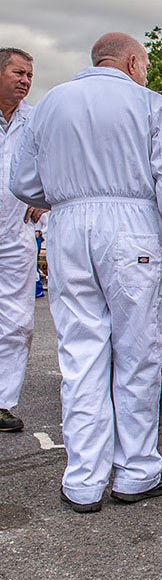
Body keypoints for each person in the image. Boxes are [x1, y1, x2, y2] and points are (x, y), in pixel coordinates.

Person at [10, 32, 162, 513]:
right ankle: (136, 471)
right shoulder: (150, 104)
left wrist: (66, 196)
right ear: (133, 62)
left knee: (81, 355)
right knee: (136, 354)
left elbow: (22, 182)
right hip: (132, 226)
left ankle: (83, 481)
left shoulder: (50, 104)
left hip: (69, 226)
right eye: (147, 65)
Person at [0, 47, 44, 433]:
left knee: (17, 320)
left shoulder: (35, 119)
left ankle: (1, 401)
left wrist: (44, 199)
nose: (25, 81)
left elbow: (54, 163)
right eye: (18, 73)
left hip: (15, 232)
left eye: (29, 75)